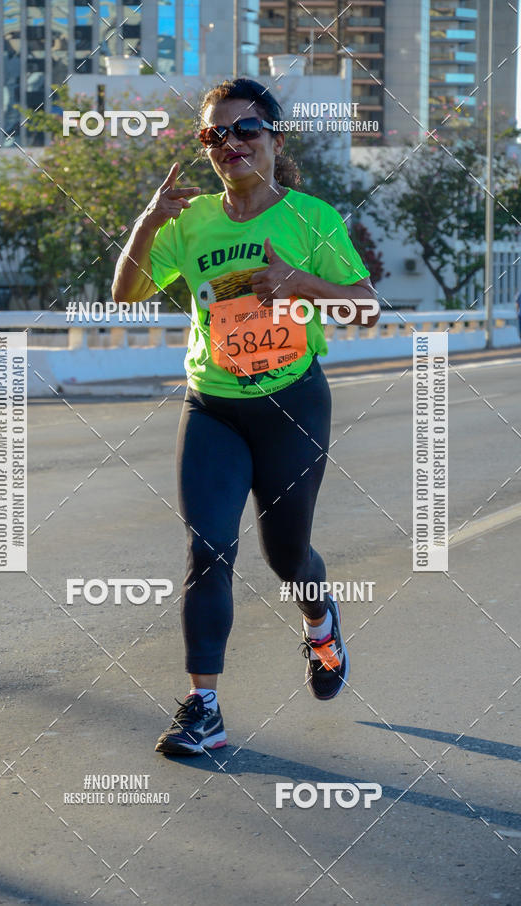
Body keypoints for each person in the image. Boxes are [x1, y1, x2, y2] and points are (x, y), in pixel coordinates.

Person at [111, 78, 379, 756]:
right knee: (209, 548)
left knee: (286, 555)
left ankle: (320, 624)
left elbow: (365, 307)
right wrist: (147, 222)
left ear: (275, 138)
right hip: (214, 406)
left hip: (292, 404)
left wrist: (301, 284)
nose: (229, 143)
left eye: (245, 130)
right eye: (214, 135)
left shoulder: (310, 218)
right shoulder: (189, 220)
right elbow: (124, 294)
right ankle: (204, 707)